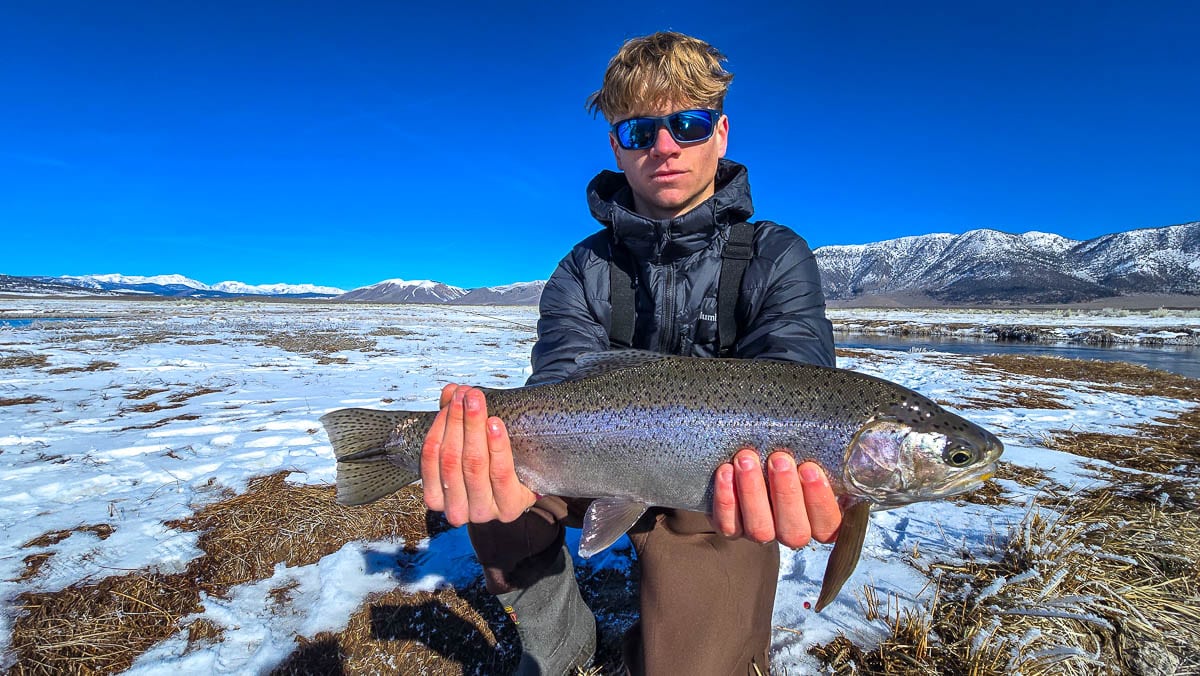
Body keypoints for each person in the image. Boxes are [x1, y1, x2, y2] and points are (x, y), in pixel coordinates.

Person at [420, 31, 842, 675]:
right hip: (585, 458)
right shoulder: (582, 269)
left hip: (715, 489)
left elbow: (804, 386)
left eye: (689, 124)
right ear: (617, 145)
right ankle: (558, 647)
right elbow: (559, 380)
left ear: (721, 133)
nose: (665, 146)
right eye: (640, 132)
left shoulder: (775, 256)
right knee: (488, 470)